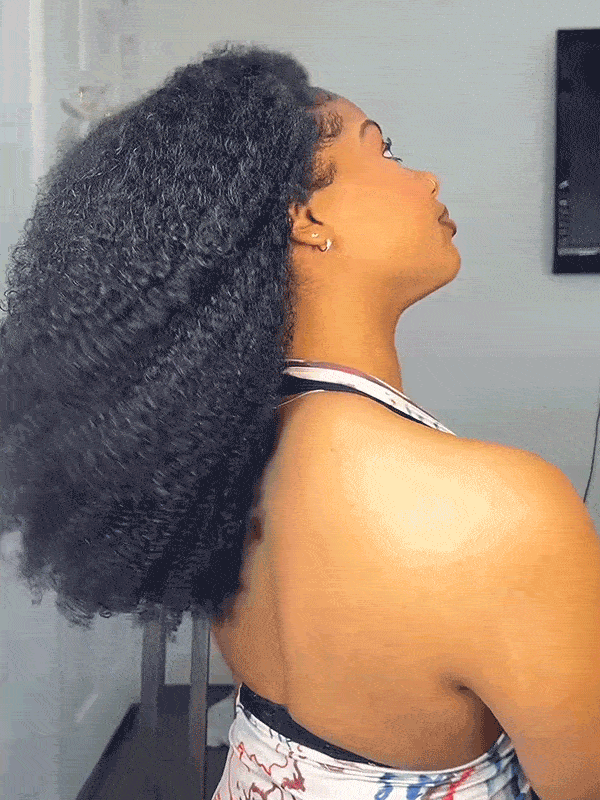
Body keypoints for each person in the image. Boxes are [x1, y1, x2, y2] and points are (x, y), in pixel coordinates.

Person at [1, 41, 598, 800]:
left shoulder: (223, 454)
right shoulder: (494, 510)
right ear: (308, 217)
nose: (428, 179)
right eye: (383, 149)